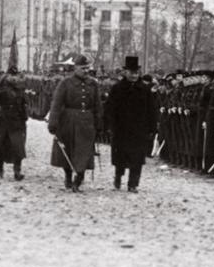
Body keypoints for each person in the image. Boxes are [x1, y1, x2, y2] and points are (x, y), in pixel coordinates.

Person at [47, 54, 103, 192]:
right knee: (68, 150)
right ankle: (68, 176)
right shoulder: (65, 83)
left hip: (87, 123)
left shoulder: (93, 84)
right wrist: (53, 123)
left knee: (84, 151)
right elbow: (56, 104)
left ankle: (78, 179)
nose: (86, 71)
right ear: (75, 68)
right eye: (83, 68)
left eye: (87, 68)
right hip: (68, 121)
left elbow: (97, 105)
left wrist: (99, 123)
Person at [104, 56, 156, 192]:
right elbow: (110, 108)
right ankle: (118, 177)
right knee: (120, 156)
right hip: (121, 129)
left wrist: (152, 128)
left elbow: (152, 110)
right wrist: (109, 125)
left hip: (139, 130)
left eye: (136, 73)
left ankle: (133, 183)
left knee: (137, 158)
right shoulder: (117, 88)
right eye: (131, 73)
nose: (134, 75)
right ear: (125, 72)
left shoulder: (145, 90)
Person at [0, 66, 29, 180]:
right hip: (3, 120)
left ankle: (17, 172)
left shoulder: (21, 88)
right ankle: (0, 171)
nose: (14, 78)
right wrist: (0, 80)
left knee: (18, 147)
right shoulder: (1, 89)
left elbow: (25, 103)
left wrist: (25, 116)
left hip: (17, 121)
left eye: (15, 76)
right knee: (0, 147)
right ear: (7, 77)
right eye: (11, 76)